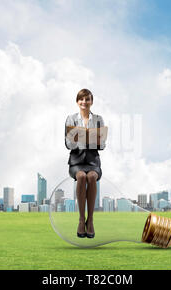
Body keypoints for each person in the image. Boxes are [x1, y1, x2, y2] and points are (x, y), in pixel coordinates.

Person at [65, 89, 106, 239]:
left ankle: (91, 220)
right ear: (77, 102)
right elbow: (68, 143)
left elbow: (102, 145)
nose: (84, 102)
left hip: (93, 161)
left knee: (91, 177)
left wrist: (96, 141)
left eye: (87, 99)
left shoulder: (99, 119)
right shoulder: (71, 119)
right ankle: (82, 220)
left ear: (91, 102)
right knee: (82, 177)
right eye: (81, 99)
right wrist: (82, 140)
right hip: (76, 161)